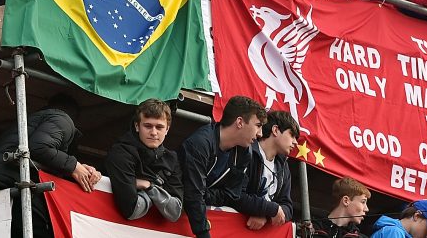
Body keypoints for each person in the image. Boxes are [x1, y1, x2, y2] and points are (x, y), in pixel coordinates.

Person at [0, 93, 102, 238]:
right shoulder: (63, 119)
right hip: (16, 187)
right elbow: (40, 148)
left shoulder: (29, 122)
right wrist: (73, 166)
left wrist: (77, 166)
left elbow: (37, 153)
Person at [178, 95, 267, 238]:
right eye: (258, 126)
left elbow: (232, 195)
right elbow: (192, 194)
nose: (260, 134)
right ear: (239, 122)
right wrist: (204, 233)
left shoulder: (245, 153)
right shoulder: (200, 144)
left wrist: (204, 194)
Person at [104, 98, 183, 222]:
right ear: (137, 126)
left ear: (167, 130)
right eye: (148, 126)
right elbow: (131, 210)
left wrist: (149, 186)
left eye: (159, 127)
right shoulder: (121, 152)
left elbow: (175, 212)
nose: (153, 132)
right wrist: (160, 194)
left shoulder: (172, 159)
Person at [235, 109, 298, 231]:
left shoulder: (284, 165)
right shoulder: (248, 152)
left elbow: (288, 207)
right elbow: (235, 194)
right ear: (275, 130)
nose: (295, 142)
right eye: (292, 135)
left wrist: (266, 215)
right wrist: (270, 209)